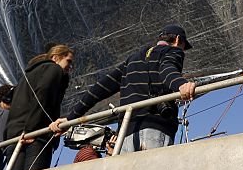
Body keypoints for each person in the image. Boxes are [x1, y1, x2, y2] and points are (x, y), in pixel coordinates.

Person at [56, 24, 197, 152]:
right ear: (178, 40)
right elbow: (167, 69)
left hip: (126, 132)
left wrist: (70, 118)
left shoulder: (132, 60)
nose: (183, 50)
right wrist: (181, 84)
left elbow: (99, 89)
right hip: (155, 127)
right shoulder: (173, 51)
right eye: (184, 46)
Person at [4, 43, 75, 170]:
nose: (70, 67)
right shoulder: (55, 69)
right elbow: (43, 94)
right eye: (68, 61)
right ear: (55, 58)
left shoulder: (27, 75)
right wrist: (31, 130)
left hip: (14, 135)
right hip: (35, 136)